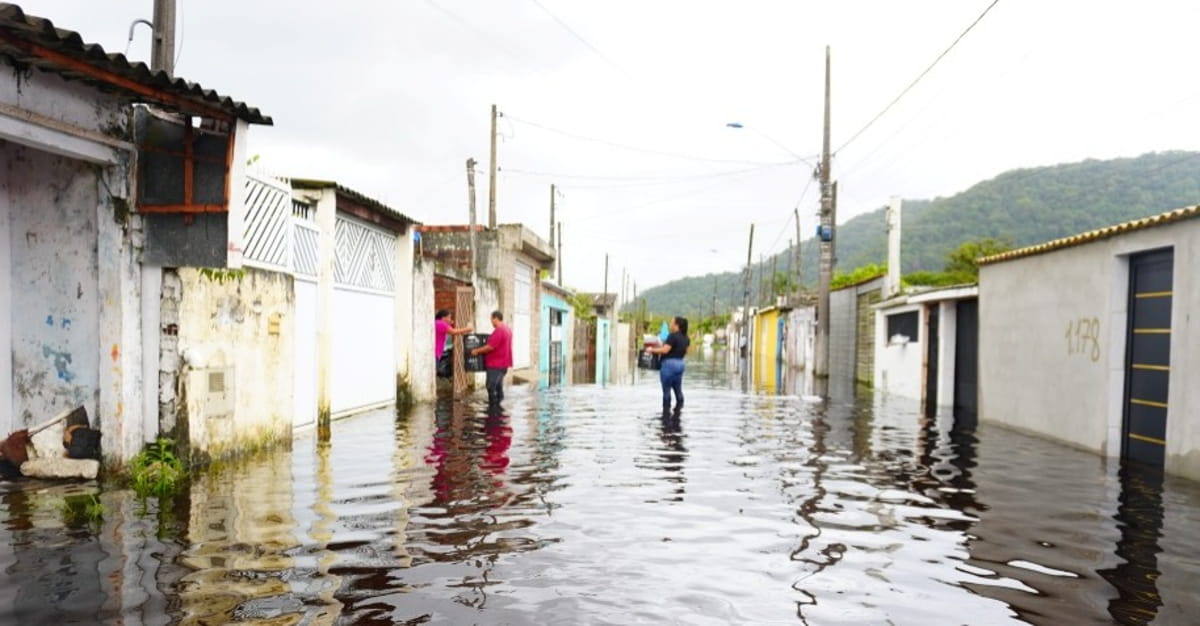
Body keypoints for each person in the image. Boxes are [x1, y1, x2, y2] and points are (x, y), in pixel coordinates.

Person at [645, 316, 690, 417]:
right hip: (680, 364)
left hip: (669, 365)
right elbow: (685, 351)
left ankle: (666, 415)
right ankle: (679, 412)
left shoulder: (672, 336)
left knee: (666, 391)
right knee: (678, 391)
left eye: (671, 323)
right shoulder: (686, 338)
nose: (670, 324)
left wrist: (651, 350)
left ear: (676, 325)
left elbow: (665, 350)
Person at [471, 310, 512, 406]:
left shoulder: (499, 330)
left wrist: (476, 351)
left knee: (491, 386)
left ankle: (493, 410)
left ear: (495, 318)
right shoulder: (507, 329)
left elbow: (490, 346)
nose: (491, 322)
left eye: (491, 319)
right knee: (498, 387)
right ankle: (498, 409)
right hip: (502, 364)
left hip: (496, 365)